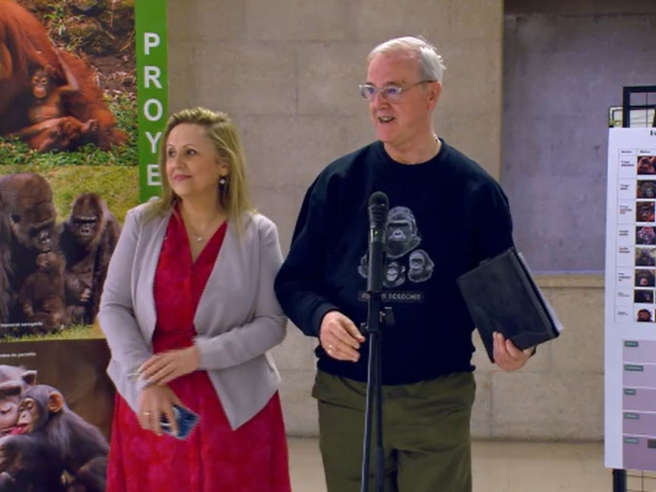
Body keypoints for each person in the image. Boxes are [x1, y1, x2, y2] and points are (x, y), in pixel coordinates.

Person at [274, 36, 533, 492]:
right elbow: (294, 281)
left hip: (436, 396)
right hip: (349, 394)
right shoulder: (338, 183)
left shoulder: (475, 192)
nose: (379, 103)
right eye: (370, 90)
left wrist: (518, 346)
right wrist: (322, 317)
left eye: (393, 89)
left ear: (431, 95)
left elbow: (504, 296)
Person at [99, 107, 291, 492]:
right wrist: (145, 379)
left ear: (223, 164)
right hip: (153, 398)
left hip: (235, 407)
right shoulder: (141, 223)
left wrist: (199, 356)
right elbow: (113, 307)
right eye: (171, 153)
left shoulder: (258, 234)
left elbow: (272, 324)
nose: (176, 164)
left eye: (190, 152)